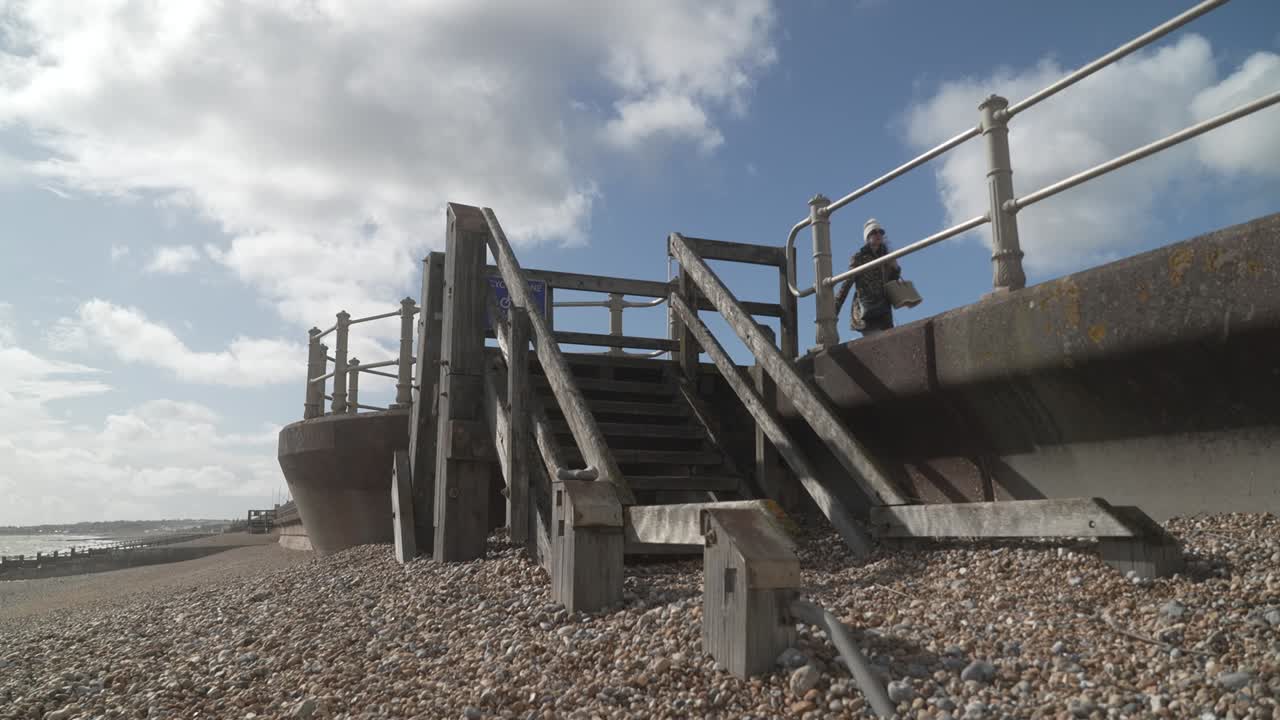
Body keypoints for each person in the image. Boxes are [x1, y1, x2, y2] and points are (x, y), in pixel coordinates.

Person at [833, 217, 901, 336]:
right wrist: (834, 309)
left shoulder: (886, 256)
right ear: (868, 237)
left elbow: (892, 282)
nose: (878, 234)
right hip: (866, 310)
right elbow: (847, 283)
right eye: (874, 232)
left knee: (887, 345)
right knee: (874, 344)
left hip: (883, 310)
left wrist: (896, 269)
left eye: (880, 232)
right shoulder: (859, 257)